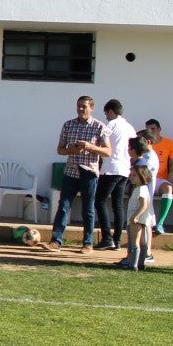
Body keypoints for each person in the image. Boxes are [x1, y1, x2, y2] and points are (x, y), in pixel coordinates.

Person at [42, 96, 112, 253]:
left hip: (89, 172)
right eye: (79, 106)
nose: (81, 109)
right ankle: (56, 241)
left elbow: (108, 151)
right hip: (71, 171)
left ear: (92, 108)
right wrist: (71, 150)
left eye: (84, 106)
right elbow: (60, 149)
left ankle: (88, 243)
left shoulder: (99, 127)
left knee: (88, 208)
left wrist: (90, 147)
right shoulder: (68, 125)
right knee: (64, 205)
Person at [96, 99, 137, 250]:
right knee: (117, 204)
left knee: (99, 201)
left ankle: (107, 237)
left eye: (106, 113)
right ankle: (118, 240)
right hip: (124, 169)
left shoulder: (111, 125)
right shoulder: (130, 127)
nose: (106, 116)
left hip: (110, 168)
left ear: (111, 111)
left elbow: (102, 143)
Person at [144, 119, 173, 234]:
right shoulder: (143, 143)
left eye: (153, 129)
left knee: (168, 188)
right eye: (148, 129)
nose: (151, 131)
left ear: (159, 129)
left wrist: (172, 173)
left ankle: (160, 223)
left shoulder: (170, 143)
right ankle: (142, 222)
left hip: (160, 179)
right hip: (145, 178)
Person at [127, 163, 155, 271]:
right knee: (143, 242)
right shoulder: (142, 188)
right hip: (143, 219)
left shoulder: (141, 189)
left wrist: (135, 216)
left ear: (142, 177)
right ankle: (141, 264)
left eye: (134, 175)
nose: (131, 177)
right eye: (131, 175)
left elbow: (144, 205)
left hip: (137, 219)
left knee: (135, 241)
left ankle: (133, 264)